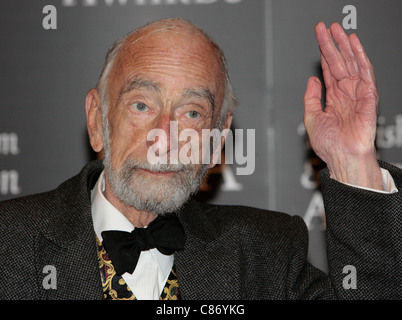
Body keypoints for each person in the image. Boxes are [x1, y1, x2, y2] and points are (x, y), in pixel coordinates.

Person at [0, 18, 400, 300]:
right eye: (141, 105)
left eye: (191, 112)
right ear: (97, 120)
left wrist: (354, 162)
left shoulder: (266, 254)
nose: (165, 136)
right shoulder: (9, 244)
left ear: (217, 137)